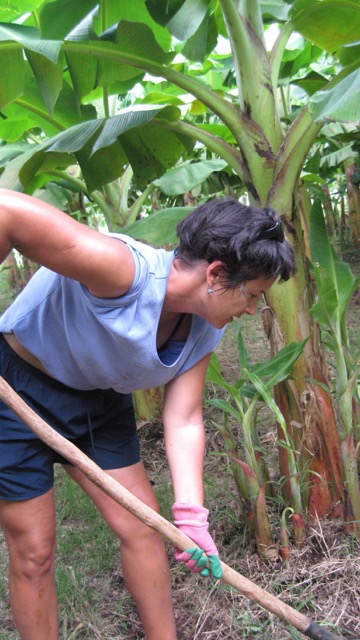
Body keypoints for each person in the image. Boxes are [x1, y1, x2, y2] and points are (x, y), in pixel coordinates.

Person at [0, 189, 295, 640]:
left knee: (142, 529)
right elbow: (6, 212)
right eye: (253, 294)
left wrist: (192, 516)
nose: (253, 309)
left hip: (98, 401)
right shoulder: (121, 270)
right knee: (34, 551)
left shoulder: (202, 328)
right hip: (17, 391)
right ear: (216, 274)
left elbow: (183, 419)